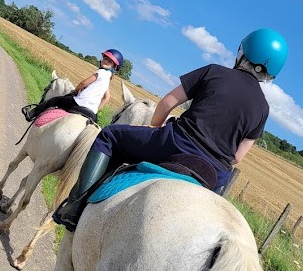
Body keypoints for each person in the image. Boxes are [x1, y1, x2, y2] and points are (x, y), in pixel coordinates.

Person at [52, 28, 288, 232]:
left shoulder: (214, 71)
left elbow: (167, 103)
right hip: (214, 175)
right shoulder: (263, 109)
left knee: (109, 136)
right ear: (271, 74)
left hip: (175, 145)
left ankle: (74, 206)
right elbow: (237, 157)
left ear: (242, 52)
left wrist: (155, 126)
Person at [22, 49, 124, 124]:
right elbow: (107, 98)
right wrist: (96, 109)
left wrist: (76, 91)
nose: (105, 61)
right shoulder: (108, 78)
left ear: (114, 67)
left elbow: (84, 83)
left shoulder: (101, 72)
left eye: (109, 61)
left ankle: (31, 114)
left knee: (54, 100)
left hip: (79, 103)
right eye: (105, 58)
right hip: (92, 112)